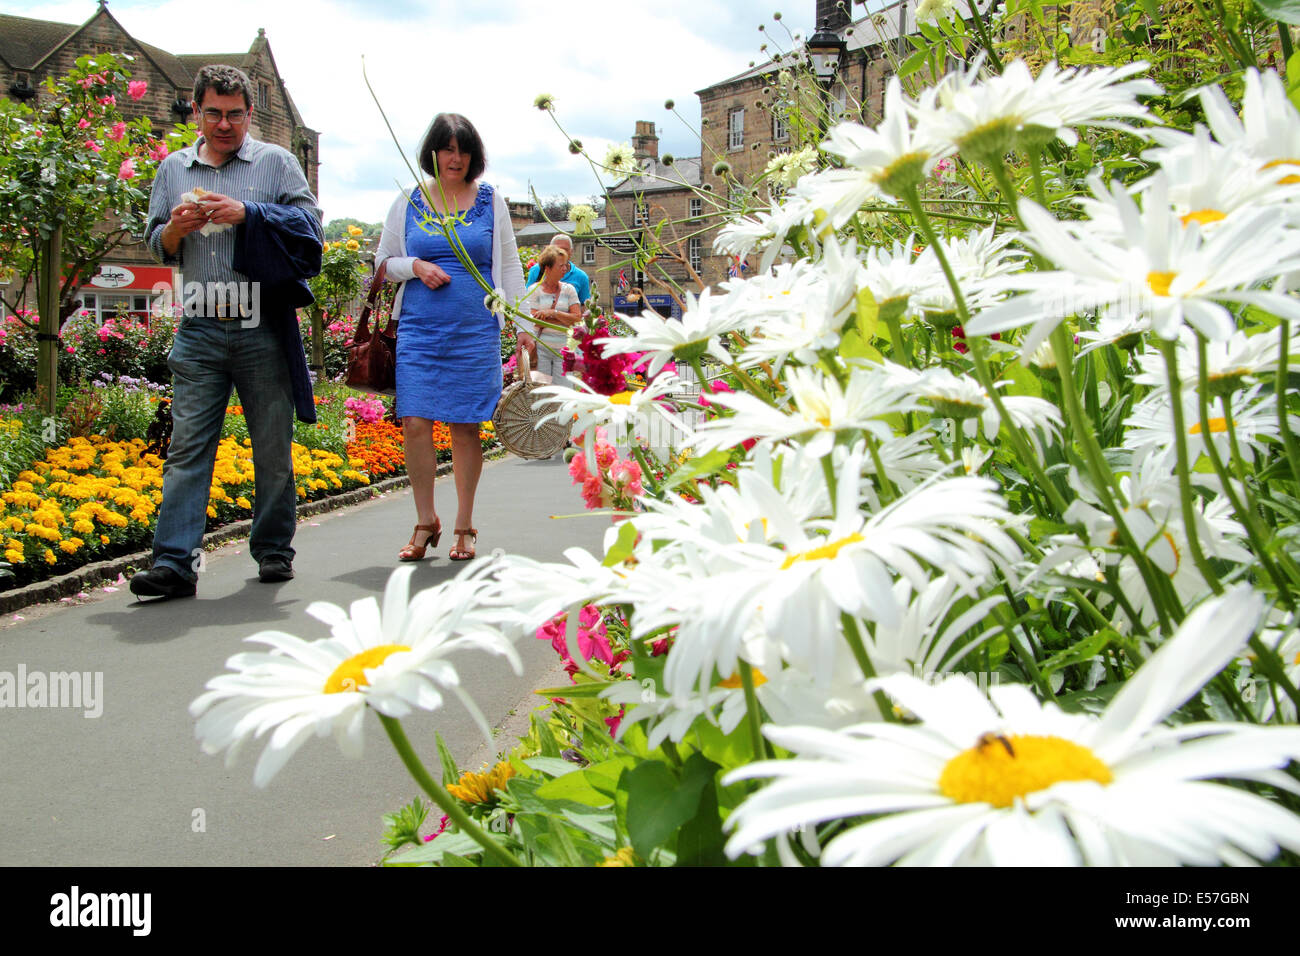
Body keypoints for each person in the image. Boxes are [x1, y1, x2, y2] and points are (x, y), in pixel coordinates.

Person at [129, 65, 322, 601]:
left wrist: (249, 213)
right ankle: (174, 564)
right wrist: (172, 230)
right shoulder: (173, 169)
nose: (223, 124)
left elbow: (313, 232)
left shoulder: (277, 163)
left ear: (250, 114)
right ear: (196, 111)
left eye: (234, 114)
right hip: (198, 324)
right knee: (188, 448)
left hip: (264, 323)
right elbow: (153, 244)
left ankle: (274, 551)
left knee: (271, 448)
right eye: (213, 112)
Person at [376, 113, 525, 562]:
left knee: (464, 426)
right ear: (433, 153)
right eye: (446, 148)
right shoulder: (408, 201)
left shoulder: (490, 201)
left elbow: (511, 266)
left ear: (473, 155)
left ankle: (464, 523)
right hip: (420, 331)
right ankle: (425, 520)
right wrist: (416, 267)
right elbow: (383, 264)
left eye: (462, 149)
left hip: (474, 330)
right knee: (415, 423)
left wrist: (522, 326)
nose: (454, 157)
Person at [518, 243, 582, 381]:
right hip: (541, 351)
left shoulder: (569, 289)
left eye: (566, 265)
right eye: (561, 266)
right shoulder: (534, 290)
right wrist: (565, 319)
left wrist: (552, 313)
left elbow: (577, 319)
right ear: (548, 268)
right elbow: (535, 321)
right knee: (543, 392)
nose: (565, 269)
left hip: (565, 351)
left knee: (564, 393)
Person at [524, 233, 590, 307]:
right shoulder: (537, 270)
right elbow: (527, 299)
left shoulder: (581, 276)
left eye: (565, 250)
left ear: (571, 252)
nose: (561, 253)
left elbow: (584, 307)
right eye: (557, 250)